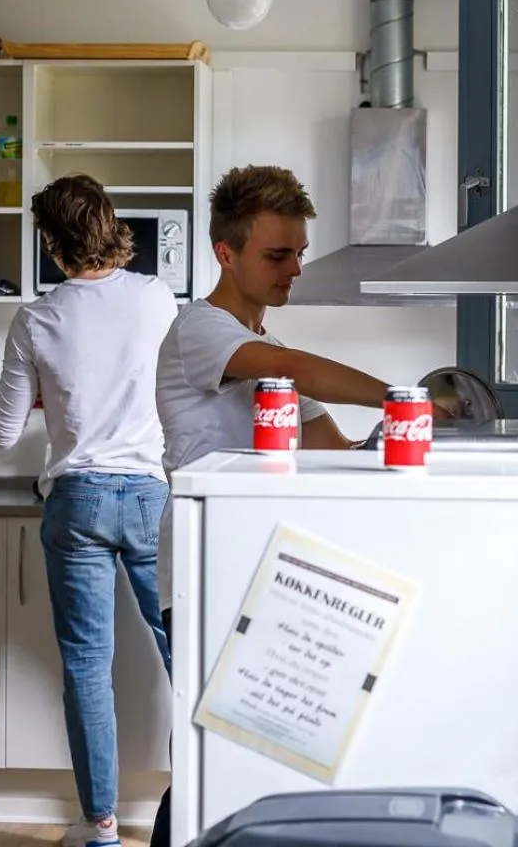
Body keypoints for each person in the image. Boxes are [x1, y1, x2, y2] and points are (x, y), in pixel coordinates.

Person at [148, 165, 455, 847]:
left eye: (299, 254)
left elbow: (331, 450)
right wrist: (404, 398)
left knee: (250, 745)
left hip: (265, 569)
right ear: (226, 254)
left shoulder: (271, 354)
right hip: (201, 567)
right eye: (277, 255)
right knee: (206, 747)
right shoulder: (200, 330)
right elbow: (303, 374)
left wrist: (398, 445)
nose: (295, 269)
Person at [0, 174, 177, 847]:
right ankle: (209, 805)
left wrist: (53, 398)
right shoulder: (158, 299)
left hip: (79, 501)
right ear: (111, 224)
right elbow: (177, 391)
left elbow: (3, 434)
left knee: (89, 668)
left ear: (50, 243)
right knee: (187, 654)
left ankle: (100, 830)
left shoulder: (37, 318)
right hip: (154, 499)